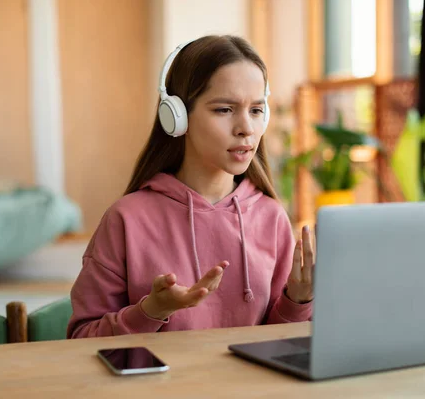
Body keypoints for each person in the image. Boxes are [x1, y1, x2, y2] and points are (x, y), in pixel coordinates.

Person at [66, 35, 314, 338]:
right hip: (159, 387)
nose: (246, 128)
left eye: (256, 110)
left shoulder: (272, 217)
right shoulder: (126, 220)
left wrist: (298, 299)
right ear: (177, 117)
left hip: (249, 387)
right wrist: (150, 311)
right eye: (224, 109)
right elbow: (81, 340)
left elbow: (278, 347)